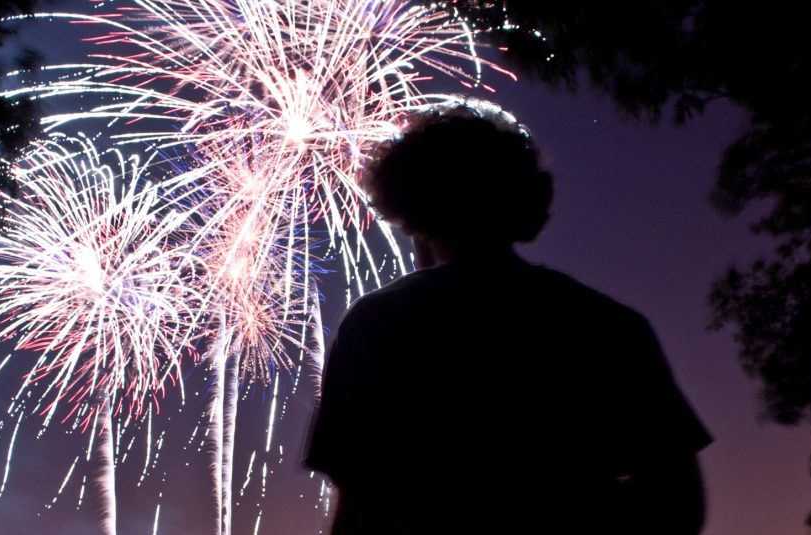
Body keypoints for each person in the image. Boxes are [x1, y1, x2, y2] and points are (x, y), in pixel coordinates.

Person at [304, 101, 712, 534]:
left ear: (410, 211)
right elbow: (680, 501)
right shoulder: (607, 324)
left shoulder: (376, 324)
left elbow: (359, 510)